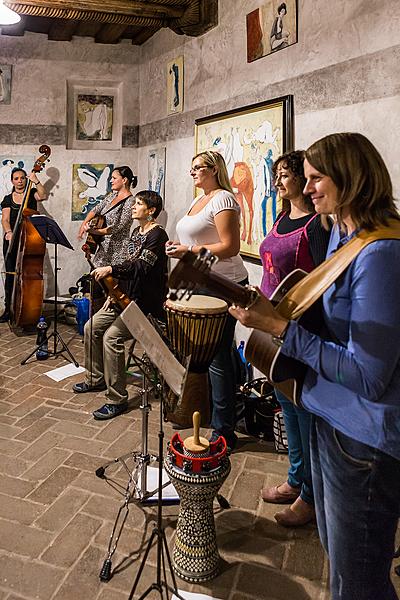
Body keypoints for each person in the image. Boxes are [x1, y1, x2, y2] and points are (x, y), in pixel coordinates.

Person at [230, 132, 400, 600]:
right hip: (329, 416)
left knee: (360, 578)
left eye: (316, 178)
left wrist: (283, 331)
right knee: (337, 557)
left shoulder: (382, 253)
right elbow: (325, 322)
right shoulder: (345, 235)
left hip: (362, 437)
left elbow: (369, 375)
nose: (307, 190)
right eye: (304, 179)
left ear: (352, 177)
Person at [259, 150, 331, 527]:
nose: (278, 182)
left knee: (302, 410)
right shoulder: (282, 217)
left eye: (284, 175)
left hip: (300, 328)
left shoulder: (318, 226)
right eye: (277, 175)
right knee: (285, 405)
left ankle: (310, 496)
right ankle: (295, 478)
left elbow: (321, 282)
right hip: (273, 324)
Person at [166, 150, 248, 450]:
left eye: (198, 167)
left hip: (224, 283)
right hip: (200, 278)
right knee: (203, 355)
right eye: (191, 168)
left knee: (218, 358)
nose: (193, 172)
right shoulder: (199, 199)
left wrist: (188, 253)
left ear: (214, 169)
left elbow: (229, 247)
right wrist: (181, 247)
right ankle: (204, 412)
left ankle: (225, 430)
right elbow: (199, 241)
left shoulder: (224, 198)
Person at [73, 190, 168, 420]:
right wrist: (113, 293)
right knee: (91, 327)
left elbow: (140, 268)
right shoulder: (137, 231)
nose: (134, 207)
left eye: (138, 204)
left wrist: (111, 269)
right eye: (134, 203)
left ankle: (117, 399)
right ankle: (95, 379)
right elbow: (128, 264)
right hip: (124, 298)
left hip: (144, 303)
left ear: (151, 210)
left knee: (111, 338)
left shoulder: (158, 236)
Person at [1, 167, 47, 322]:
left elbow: (43, 195)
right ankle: (8, 309)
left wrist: (37, 181)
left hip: (30, 240)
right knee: (10, 275)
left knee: (28, 275)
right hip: (12, 240)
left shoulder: (31, 194)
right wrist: (8, 232)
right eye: (16, 178)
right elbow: (5, 219)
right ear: (12, 181)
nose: (19, 181)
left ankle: (26, 307)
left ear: (26, 179)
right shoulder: (8, 199)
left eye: (22, 178)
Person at [78, 165, 137, 267]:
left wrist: (93, 231)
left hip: (117, 252)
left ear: (124, 180)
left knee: (108, 281)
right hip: (103, 249)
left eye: (114, 178)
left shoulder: (130, 201)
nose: (110, 181)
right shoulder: (113, 195)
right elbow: (96, 209)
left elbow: (115, 228)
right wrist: (84, 224)